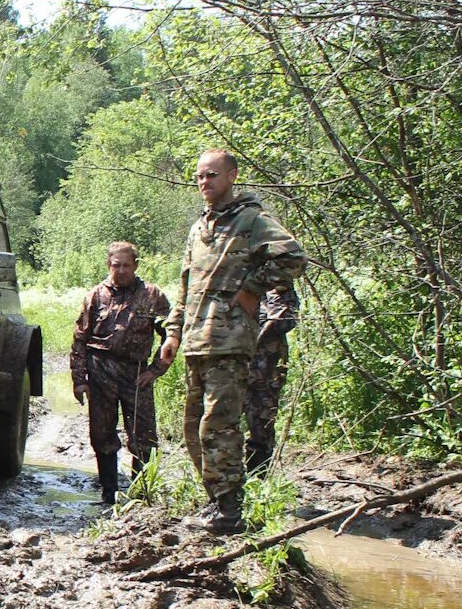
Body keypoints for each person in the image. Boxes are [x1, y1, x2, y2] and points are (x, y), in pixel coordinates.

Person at [156, 150, 307, 535]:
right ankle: (215, 501)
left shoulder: (251, 219)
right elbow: (186, 286)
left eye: (212, 175)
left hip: (230, 341)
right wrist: (173, 332)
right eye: (199, 177)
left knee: (218, 427)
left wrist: (253, 287)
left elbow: (294, 256)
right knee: (194, 428)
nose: (204, 182)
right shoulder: (198, 229)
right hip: (196, 341)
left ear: (232, 176)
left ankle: (229, 512)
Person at [70, 241, 172, 506]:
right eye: (117, 265)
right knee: (102, 434)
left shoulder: (152, 295)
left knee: (144, 436)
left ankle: (141, 495)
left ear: (136, 266)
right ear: (109, 265)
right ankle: (109, 492)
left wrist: (156, 369)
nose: (122, 270)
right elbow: (79, 339)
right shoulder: (95, 296)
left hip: (136, 374)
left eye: (127, 265)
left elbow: (171, 334)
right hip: (100, 370)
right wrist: (79, 380)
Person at [244, 283, 300, 474]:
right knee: (225, 423)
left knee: (261, 425)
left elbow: (285, 320)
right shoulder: (237, 283)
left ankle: (257, 478)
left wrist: (255, 337)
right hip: (234, 367)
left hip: (266, 372)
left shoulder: (279, 289)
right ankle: (230, 481)